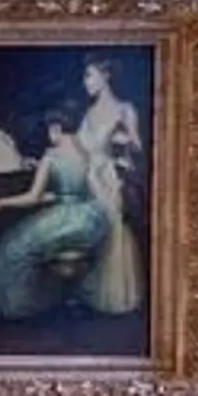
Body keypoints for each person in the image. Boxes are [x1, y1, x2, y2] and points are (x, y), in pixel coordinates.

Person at [0, 111, 110, 322]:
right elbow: (81, 189)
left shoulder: (51, 156)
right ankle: (56, 297)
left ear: (56, 129)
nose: (49, 136)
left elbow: (31, 198)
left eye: (49, 130)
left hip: (64, 218)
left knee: (12, 244)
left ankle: (16, 308)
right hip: (91, 220)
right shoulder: (85, 152)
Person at [70, 56, 144, 315]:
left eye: (89, 75)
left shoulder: (125, 109)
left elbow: (136, 148)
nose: (84, 82)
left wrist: (123, 140)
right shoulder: (88, 114)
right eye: (84, 76)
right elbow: (77, 148)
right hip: (88, 178)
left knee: (113, 227)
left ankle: (115, 295)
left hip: (109, 178)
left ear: (106, 75)